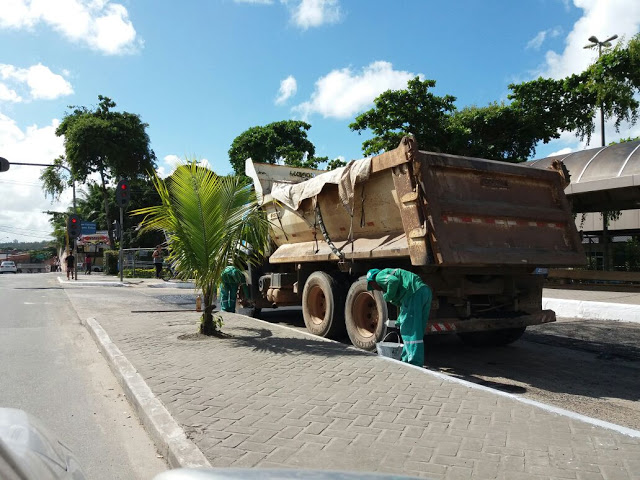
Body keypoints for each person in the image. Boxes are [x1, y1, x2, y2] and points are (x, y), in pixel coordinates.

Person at [367, 268, 432, 367]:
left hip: (414, 294)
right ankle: (406, 358)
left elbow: (393, 281)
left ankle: (415, 363)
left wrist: (387, 296)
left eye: (372, 286)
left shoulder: (379, 276)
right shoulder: (400, 280)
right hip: (424, 292)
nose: (375, 289)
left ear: (372, 281)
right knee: (417, 330)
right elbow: (403, 304)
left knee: (410, 331)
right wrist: (398, 320)